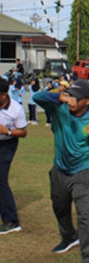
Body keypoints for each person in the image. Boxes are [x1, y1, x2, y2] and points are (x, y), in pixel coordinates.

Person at [33, 79, 89, 262]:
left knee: (85, 214)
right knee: (60, 207)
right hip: (60, 168)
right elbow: (37, 97)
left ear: (87, 100)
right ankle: (69, 237)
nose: (72, 101)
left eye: (76, 98)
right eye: (70, 96)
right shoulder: (59, 109)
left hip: (84, 170)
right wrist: (61, 97)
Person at [0, 77, 27, 235]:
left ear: (3, 95)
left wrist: (7, 131)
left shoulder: (16, 109)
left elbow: (23, 132)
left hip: (7, 144)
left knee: (1, 179)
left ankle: (11, 220)